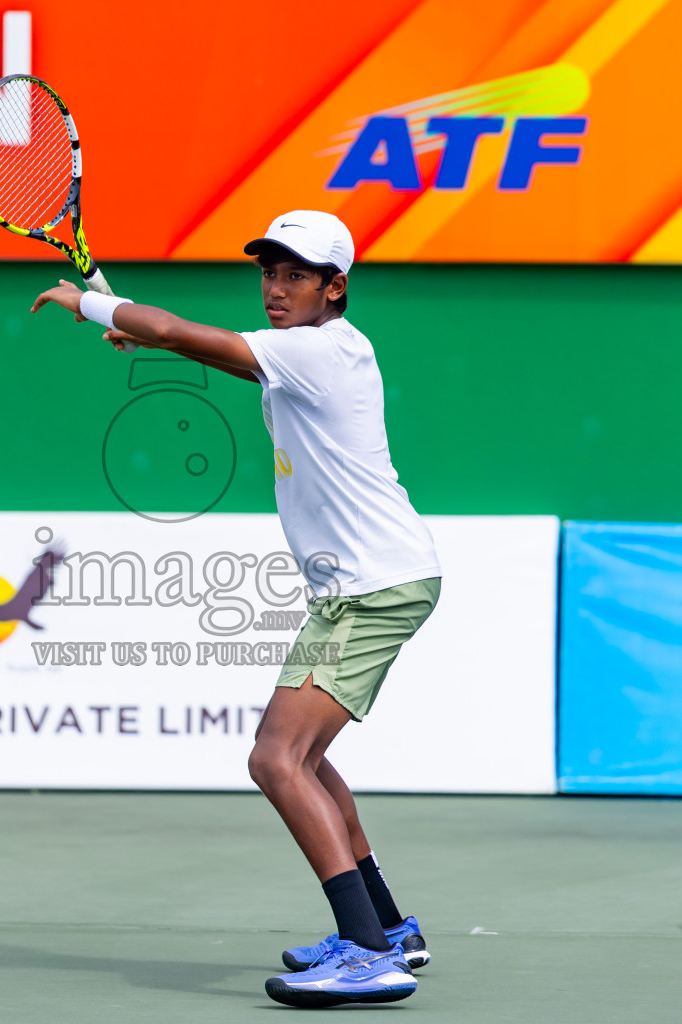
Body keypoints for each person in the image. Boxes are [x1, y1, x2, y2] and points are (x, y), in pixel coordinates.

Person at [31, 210, 441, 1008]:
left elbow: (188, 330)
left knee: (274, 760)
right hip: (365, 586)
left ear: (335, 287)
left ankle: (364, 952)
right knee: (307, 762)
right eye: (268, 272)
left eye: (296, 276)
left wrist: (93, 306)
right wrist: (155, 339)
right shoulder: (321, 353)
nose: (276, 288)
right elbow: (208, 349)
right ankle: (388, 929)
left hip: (373, 588)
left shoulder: (319, 350)